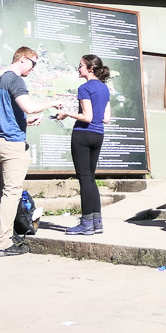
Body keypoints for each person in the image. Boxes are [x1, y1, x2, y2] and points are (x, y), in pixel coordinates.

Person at [0, 47, 62, 257]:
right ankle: (1, 243)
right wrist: (53, 102)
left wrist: (25, 122)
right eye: (33, 63)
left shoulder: (0, 81)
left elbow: (6, 113)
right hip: (12, 145)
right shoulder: (16, 80)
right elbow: (29, 107)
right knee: (11, 193)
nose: (33, 69)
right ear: (23, 59)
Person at [55, 55, 112, 236]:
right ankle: (96, 222)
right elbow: (106, 119)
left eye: (80, 66)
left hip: (83, 135)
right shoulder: (104, 89)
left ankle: (86, 223)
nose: (78, 68)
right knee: (90, 178)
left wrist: (67, 113)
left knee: (84, 179)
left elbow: (86, 117)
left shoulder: (85, 88)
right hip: (98, 135)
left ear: (90, 69)